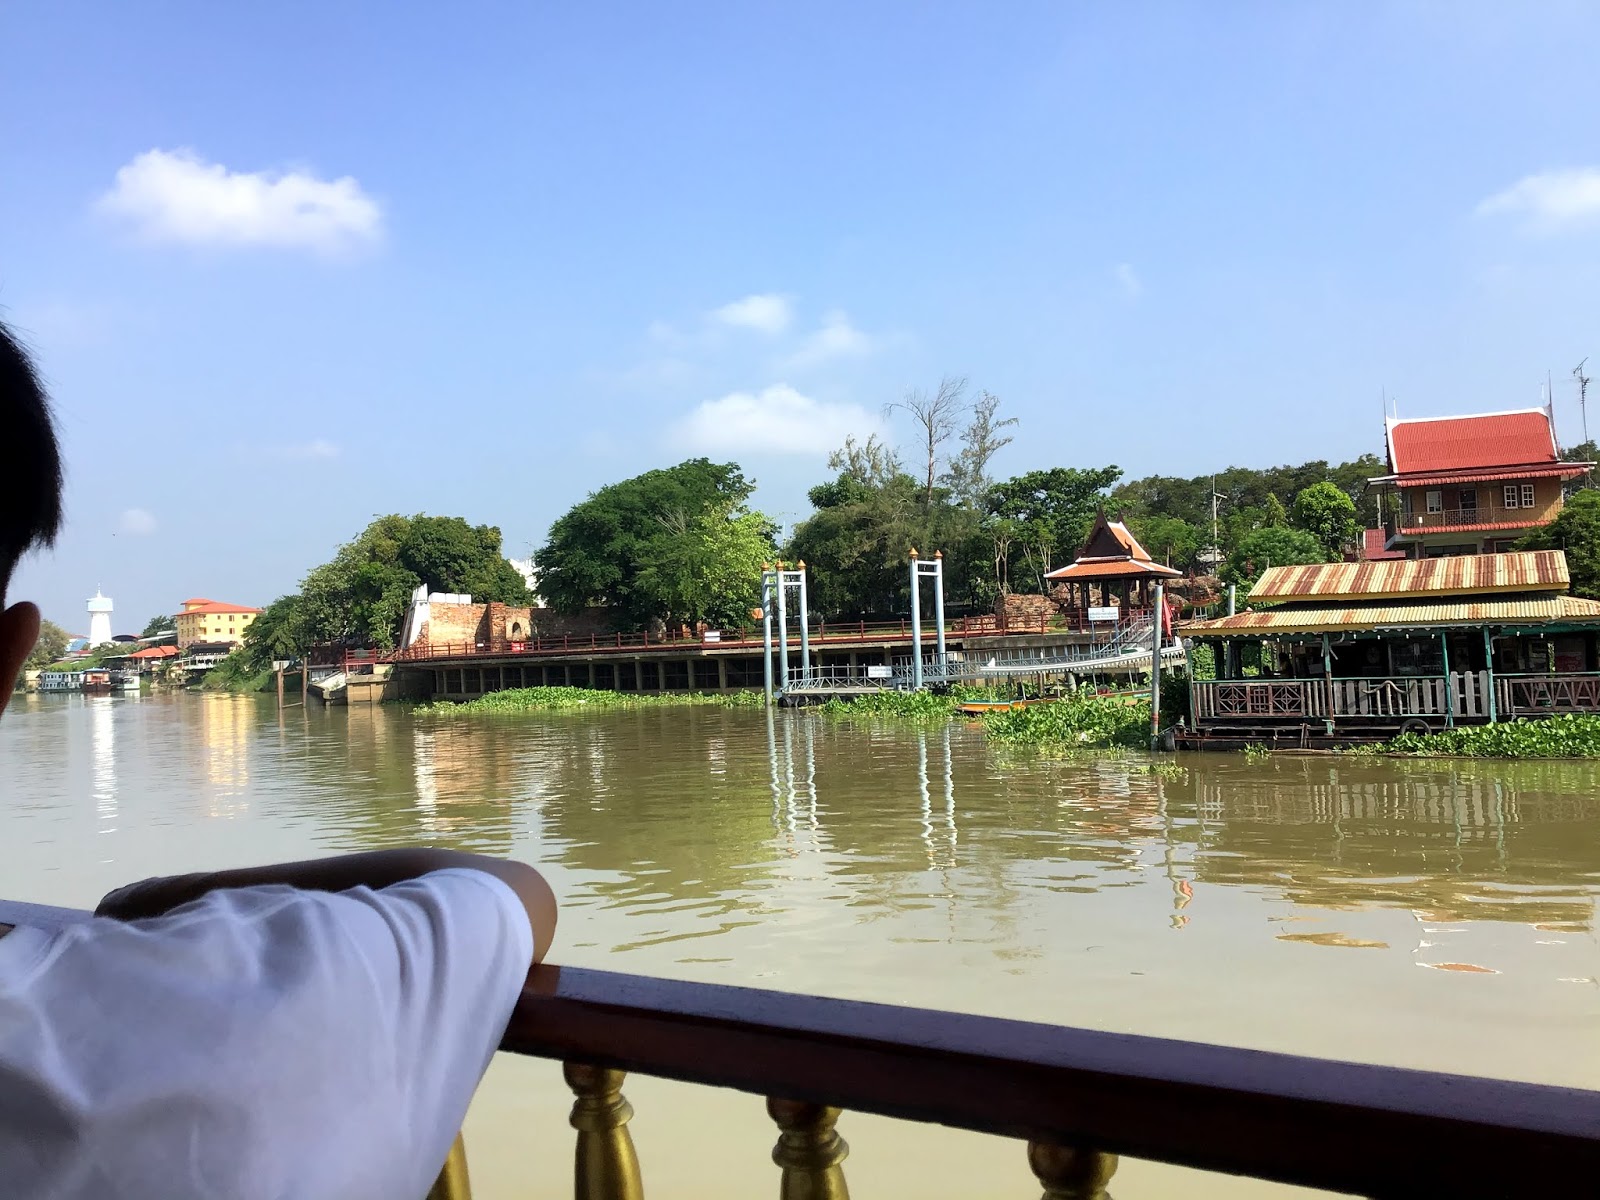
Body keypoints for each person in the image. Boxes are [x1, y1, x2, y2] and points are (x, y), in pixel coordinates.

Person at [0, 319, 559, 1198]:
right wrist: (156, 897)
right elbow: (510, 889)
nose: (209, 628)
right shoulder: (241, 1011)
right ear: (13, 657)